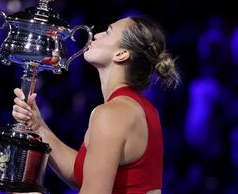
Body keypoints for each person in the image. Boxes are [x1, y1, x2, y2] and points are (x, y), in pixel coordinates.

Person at [12, 15, 180, 194]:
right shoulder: (139, 109)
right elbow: (82, 175)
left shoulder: (112, 114)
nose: (96, 35)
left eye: (107, 32)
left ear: (121, 54)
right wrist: (37, 125)